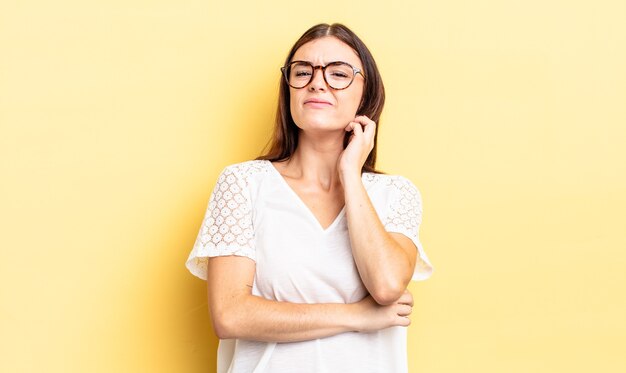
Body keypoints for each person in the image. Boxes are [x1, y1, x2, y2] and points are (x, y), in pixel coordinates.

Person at [186, 23, 434, 373]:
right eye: (303, 72)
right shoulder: (243, 183)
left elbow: (387, 285)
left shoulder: (396, 193)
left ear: (366, 95)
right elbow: (230, 314)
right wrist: (357, 316)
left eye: (338, 73)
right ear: (289, 89)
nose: (317, 82)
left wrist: (350, 173)